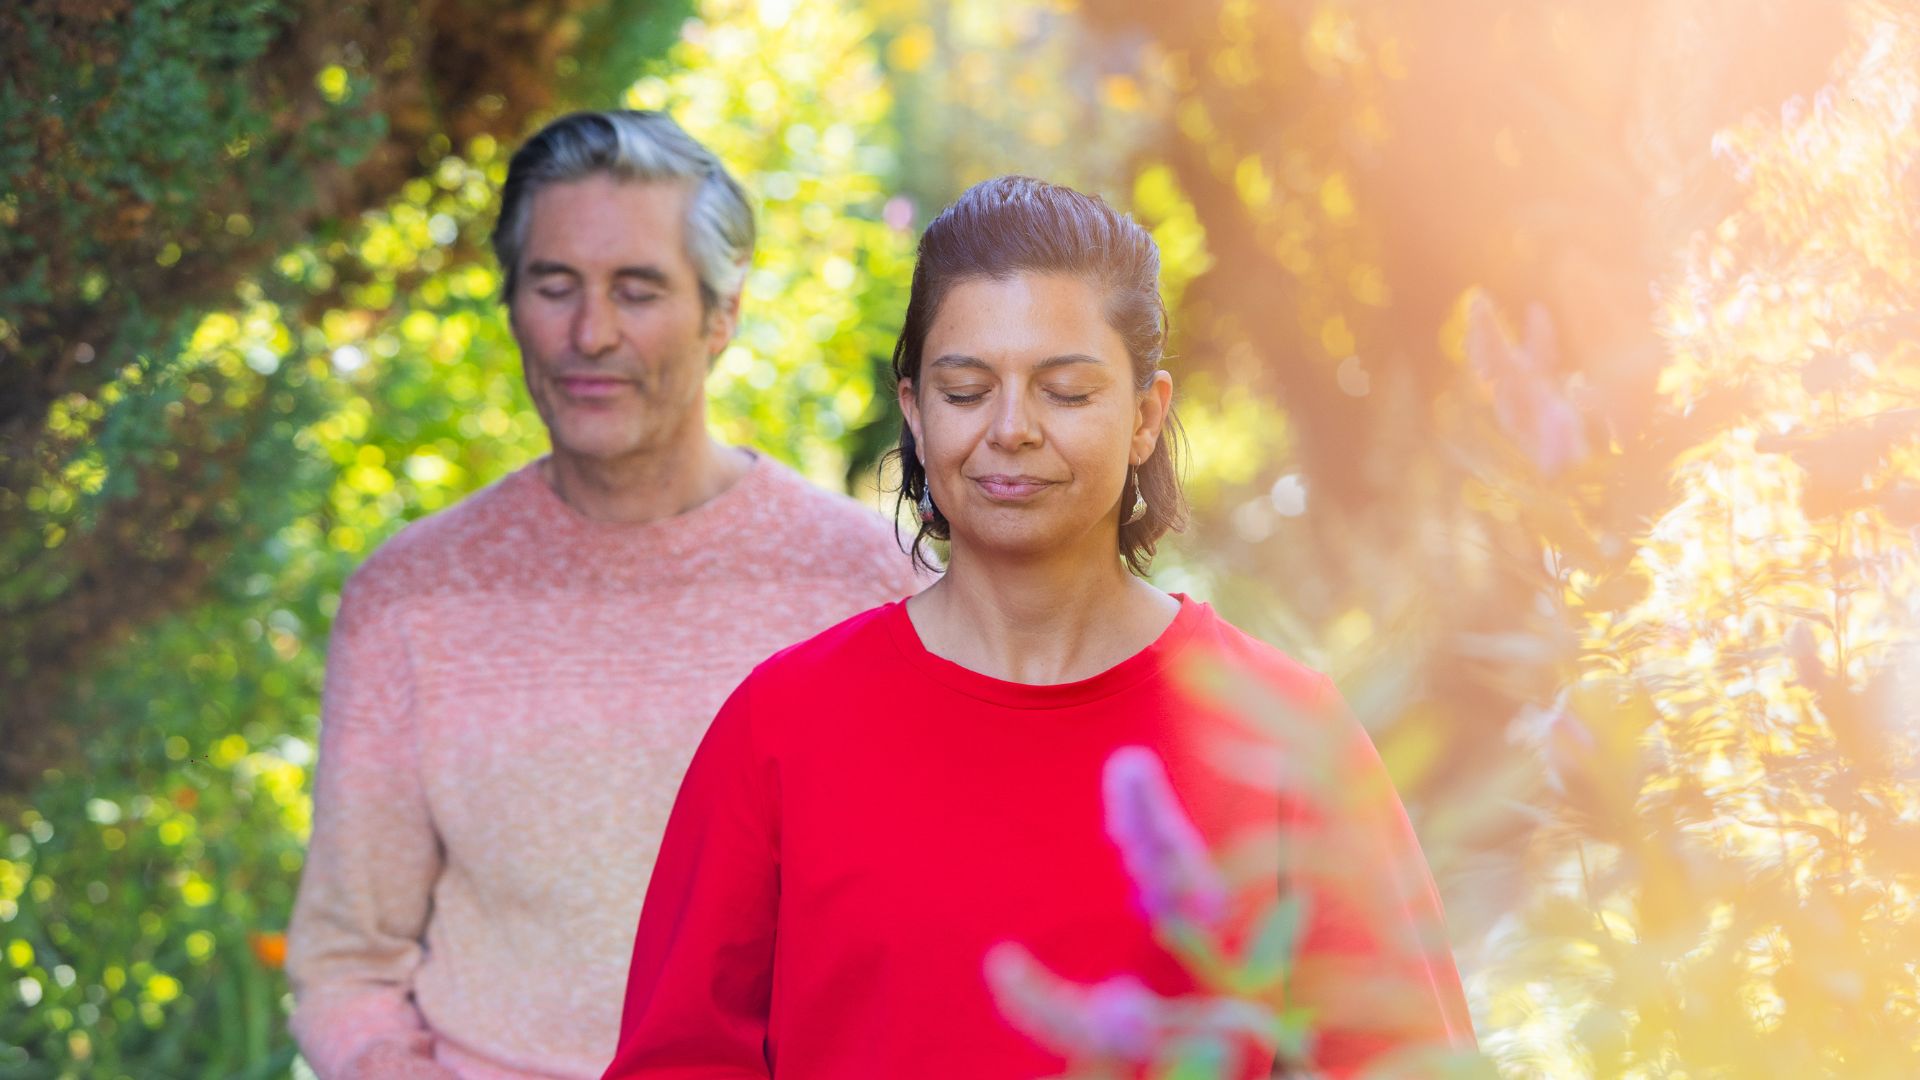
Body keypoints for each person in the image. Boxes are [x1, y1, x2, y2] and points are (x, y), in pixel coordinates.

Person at [601, 175, 1476, 1079]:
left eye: (1065, 392)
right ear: (914, 409)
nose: (1011, 429)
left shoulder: (1284, 734)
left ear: (1145, 416)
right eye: (968, 388)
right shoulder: (780, 728)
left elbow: (1402, 1061)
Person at [285, 110, 927, 1080]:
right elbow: (347, 967)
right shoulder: (412, 598)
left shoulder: (870, 587)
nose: (591, 333)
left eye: (638, 290)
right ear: (511, 304)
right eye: (555, 286)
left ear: (723, 314)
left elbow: (932, 932)